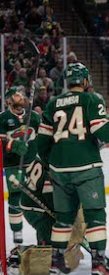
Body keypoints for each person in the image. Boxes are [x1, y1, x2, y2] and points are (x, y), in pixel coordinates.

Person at [37, 62, 109, 275]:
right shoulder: (91, 99)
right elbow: (103, 132)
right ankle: (98, 263)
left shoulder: (53, 103)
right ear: (84, 80)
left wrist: (52, 163)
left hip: (59, 170)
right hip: (86, 168)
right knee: (95, 216)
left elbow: (41, 142)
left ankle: (56, 262)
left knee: (63, 218)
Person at [0, 86, 41, 246]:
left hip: (33, 163)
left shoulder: (35, 117)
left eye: (20, 96)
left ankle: (43, 229)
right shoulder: (3, 119)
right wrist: (13, 145)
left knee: (40, 196)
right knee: (16, 197)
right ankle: (17, 230)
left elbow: (43, 137)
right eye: (15, 97)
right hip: (12, 165)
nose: (18, 100)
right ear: (8, 101)